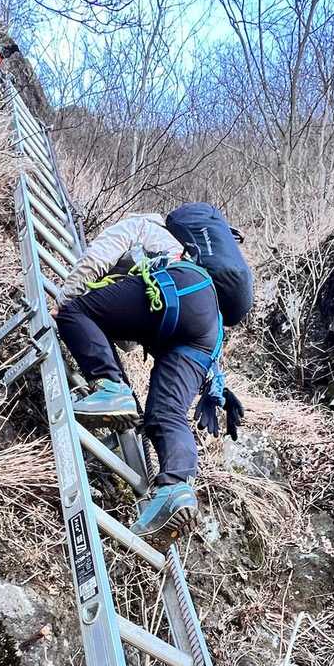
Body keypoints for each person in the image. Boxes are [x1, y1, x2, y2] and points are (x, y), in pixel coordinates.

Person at [54, 212, 224, 542]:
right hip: (206, 329)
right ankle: (176, 487)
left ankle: (111, 388)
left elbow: (97, 258)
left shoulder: (140, 226)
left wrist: (65, 302)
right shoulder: (187, 254)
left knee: (76, 311)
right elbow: (130, 341)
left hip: (178, 288)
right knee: (166, 414)